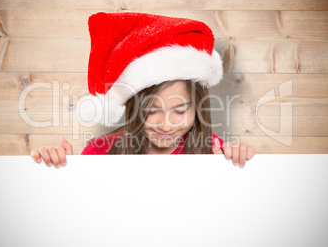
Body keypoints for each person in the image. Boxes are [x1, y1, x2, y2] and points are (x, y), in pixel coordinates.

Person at [30, 12, 256, 168]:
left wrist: (237, 165)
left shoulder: (216, 151)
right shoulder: (100, 152)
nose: (166, 125)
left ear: (198, 108)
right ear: (133, 106)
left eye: (179, 111)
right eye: (151, 110)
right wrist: (63, 174)